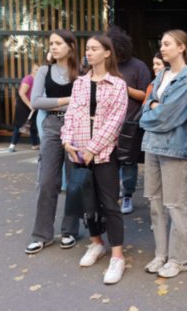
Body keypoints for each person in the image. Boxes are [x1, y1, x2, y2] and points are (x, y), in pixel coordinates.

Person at [61, 34, 128, 284]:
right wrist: (66, 140)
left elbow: (115, 121)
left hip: (104, 152)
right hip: (77, 151)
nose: (88, 53)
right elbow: (70, 115)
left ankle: (117, 256)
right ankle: (96, 242)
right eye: (87, 49)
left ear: (107, 53)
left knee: (109, 203)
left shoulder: (117, 84)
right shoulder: (79, 83)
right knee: (86, 201)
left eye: (94, 49)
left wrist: (93, 148)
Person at [140, 30, 187, 277]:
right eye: (161, 44)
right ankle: (161, 254)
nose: (162, 48)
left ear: (182, 47)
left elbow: (167, 116)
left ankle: (181, 258)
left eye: (167, 44)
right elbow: (147, 106)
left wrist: (151, 111)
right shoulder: (161, 75)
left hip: (175, 148)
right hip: (151, 145)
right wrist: (153, 108)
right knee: (155, 203)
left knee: (177, 204)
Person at [25, 30, 81, 254]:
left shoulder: (81, 72)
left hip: (76, 127)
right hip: (51, 126)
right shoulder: (44, 71)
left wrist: (55, 102)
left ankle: (70, 230)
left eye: (58, 43)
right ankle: (42, 234)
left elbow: (84, 103)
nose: (54, 47)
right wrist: (68, 100)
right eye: (51, 43)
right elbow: (36, 101)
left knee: (74, 181)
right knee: (46, 180)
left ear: (71, 46)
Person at [107, 26, 151, 214]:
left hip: (130, 122)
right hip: (107, 122)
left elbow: (146, 95)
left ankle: (128, 195)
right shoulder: (104, 66)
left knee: (128, 162)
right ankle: (112, 193)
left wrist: (122, 87)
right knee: (108, 161)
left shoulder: (138, 67)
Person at [9, 63, 41, 152]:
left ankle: (35, 144)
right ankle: (12, 145)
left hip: (33, 104)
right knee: (20, 125)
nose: (38, 71)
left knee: (33, 125)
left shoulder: (40, 80)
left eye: (39, 70)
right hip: (23, 104)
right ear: (32, 70)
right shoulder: (28, 79)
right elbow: (22, 93)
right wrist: (29, 105)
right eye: (36, 69)